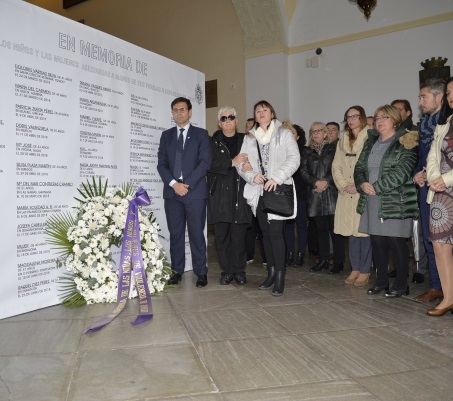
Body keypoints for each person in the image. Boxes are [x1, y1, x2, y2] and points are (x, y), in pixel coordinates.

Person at [355, 105, 419, 298]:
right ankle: (381, 281)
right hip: (372, 199)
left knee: (396, 242)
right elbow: (359, 167)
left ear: (395, 120)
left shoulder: (406, 141)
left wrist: (378, 187)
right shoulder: (371, 141)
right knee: (377, 241)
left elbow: (403, 171)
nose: (379, 121)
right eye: (377, 118)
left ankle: (401, 284)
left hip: (395, 200)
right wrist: (362, 183)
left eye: (384, 117)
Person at [237, 100, 300, 296]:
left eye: (265, 110)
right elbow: (242, 163)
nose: (261, 113)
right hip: (258, 192)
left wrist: (277, 177)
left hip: (277, 190)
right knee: (264, 234)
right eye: (258, 111)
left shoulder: (284, 133)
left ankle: (280, 276)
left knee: (276, 234)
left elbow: (294, 159)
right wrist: (252, 175)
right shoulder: (249, 137)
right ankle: (271, 273)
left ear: (272, 113)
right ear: (255, 116)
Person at [157, 97, 211, 287]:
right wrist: (174, 184)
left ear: (189, 112)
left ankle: (201, 272)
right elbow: (161, 164)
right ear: (172, 113)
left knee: (197, 233)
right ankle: (176, 271)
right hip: (172, 193)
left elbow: (205, 163)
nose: (178, 113)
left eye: (182, 109)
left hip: (194, 192)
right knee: (176, 234)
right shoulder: (166, 136)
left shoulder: (201, 134)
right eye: (175, 110)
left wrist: (185, 184)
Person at [207, 106, 252, 285]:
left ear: (236, 121)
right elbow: (207, 164)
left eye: (231, 117)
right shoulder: (211, 142)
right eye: (224, 118)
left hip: (241, 195)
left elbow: (255, 160)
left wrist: (250, 165)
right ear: (219, 123)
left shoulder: (247, 140)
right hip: (219, 196)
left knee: (239, 237)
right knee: (222, 238)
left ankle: (239, 271)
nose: (227, 121)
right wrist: (231, 162)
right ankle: (226, 271)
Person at [332, 106, 372, 286]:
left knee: (364, 232)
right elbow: (336, 165)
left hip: (362, 190)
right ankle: (355, 267)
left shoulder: (371, 136)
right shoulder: (343, 139)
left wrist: (358, 185)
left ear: (362, 118)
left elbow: (371, 165)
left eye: (354, 116)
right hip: (346, 191)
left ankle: (365, 269)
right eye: (348, 117)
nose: (351, 120)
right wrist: (343, 185)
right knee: (351, 233)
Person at [413, 78, 445, 303]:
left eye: (424, 97)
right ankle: (437, 286)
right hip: (426, 188)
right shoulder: (424, 123)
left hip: (445, 185)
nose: (420, 101)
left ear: (439, 97)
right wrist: (417, 173)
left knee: (446, 241)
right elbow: (422, 155)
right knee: (430, 239)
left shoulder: (447, 121)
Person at [300, 122, 345, 273]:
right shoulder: (306, 151)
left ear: (325, 133)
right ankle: (324, 260)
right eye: (313, 131)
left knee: (335, 230)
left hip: (331, 194)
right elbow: (303, 172)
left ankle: (339, 262)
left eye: (319, 131)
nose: (316, 133)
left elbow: (337, 168)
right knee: (321, 230)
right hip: (315, 195)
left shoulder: (334, 148)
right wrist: (315, 183)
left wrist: (325, 182)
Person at [391, 98, 427, 284]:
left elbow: (417, 159)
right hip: (395, 191)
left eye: (399, 110)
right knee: (397, 232)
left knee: (416, 231)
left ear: (408, 112)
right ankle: (400, 267)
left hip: (413, 186)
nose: (396, 113)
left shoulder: (415, 131)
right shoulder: (390, 133)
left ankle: (419, 269)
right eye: (393, 110)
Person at [426, 76, 453, 316]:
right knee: (439, 245)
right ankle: (448, 298)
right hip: (441, 193)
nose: (452, 97)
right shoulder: (444, 122)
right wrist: (435, 177)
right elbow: (433, 155)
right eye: (450, 93)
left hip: (448, 183)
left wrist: (446, 179)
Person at [282, 121, 308, 267]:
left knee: (301, 224)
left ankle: (301, 254)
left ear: (298, 137)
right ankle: (290, 253)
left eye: (292, 132)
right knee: (288, 225)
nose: (289, 134)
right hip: (286, 193)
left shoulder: (303, 151)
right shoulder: (281, 150)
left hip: (300, 192)